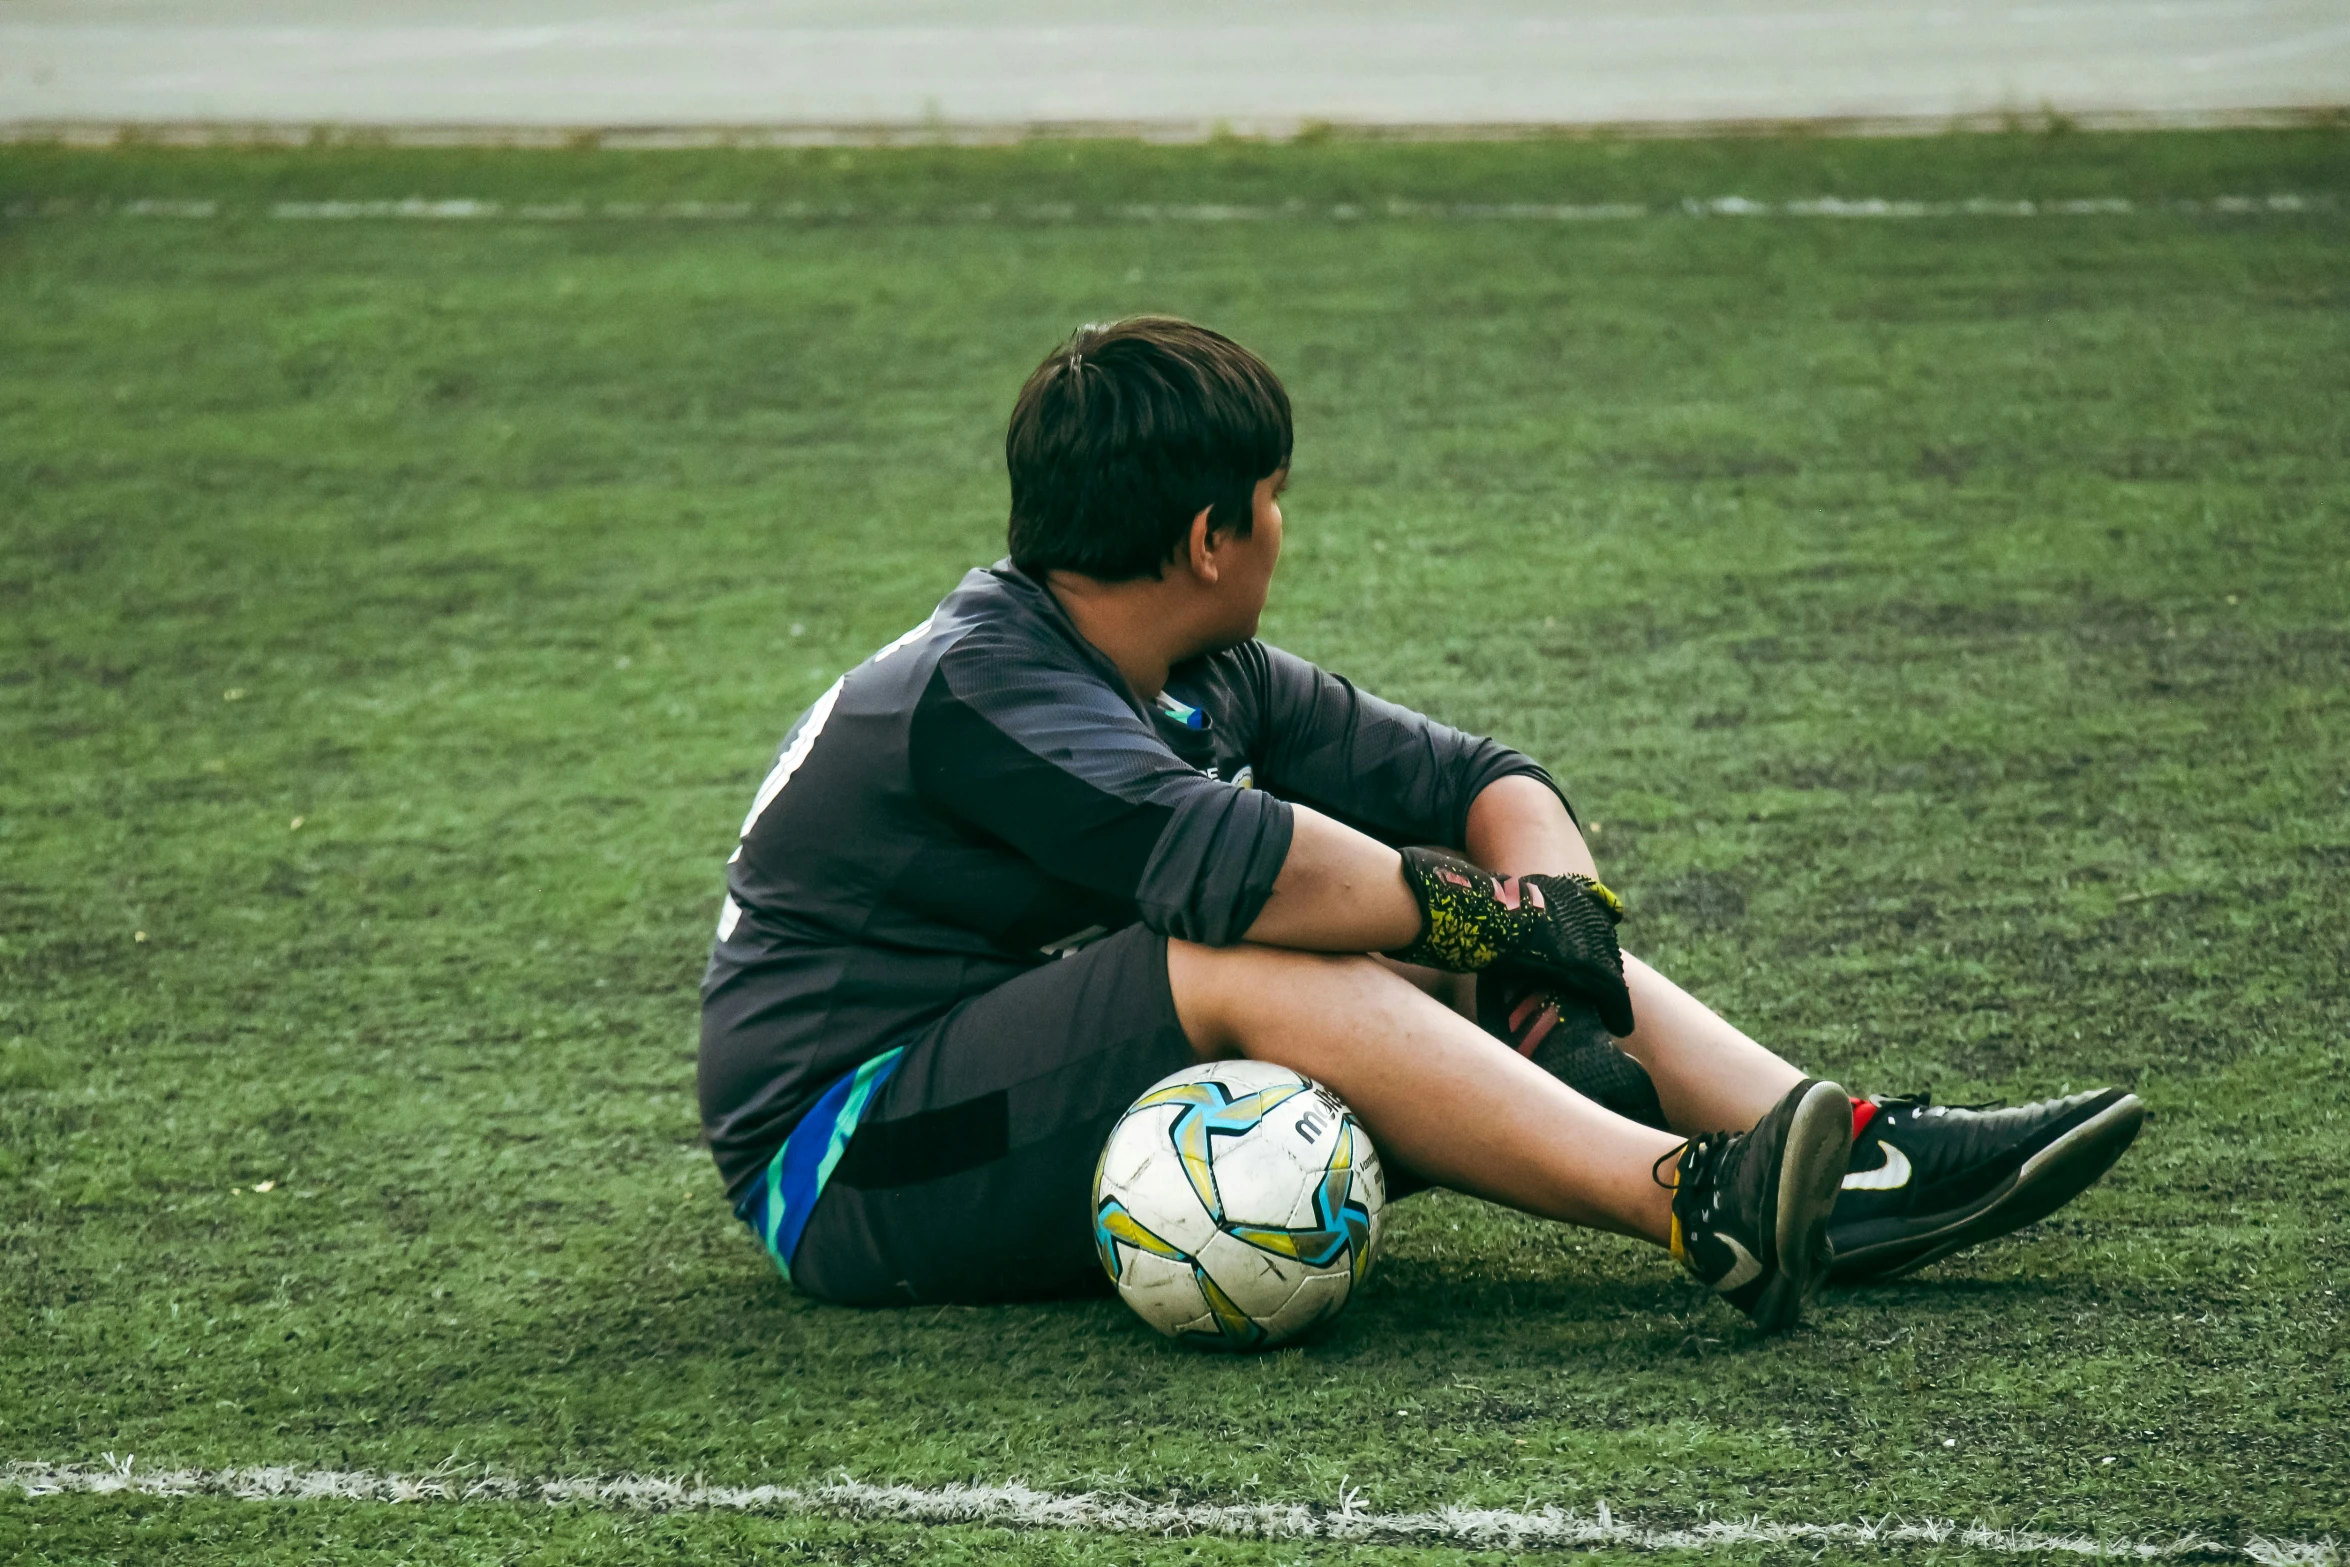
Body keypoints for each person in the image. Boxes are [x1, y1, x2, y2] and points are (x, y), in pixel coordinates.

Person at [698, 316, 2143, 1333]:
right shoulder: (980, 688)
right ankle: (1694, 1199)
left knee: (1393, 900)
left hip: (989, 1072)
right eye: (1272, 501)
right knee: (1258, 946)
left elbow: (1481, 777)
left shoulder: (1191, 665)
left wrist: (1547, 936)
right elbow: (1246, 876)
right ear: (1210, 536)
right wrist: (1492, 930)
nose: (1280, 528)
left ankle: (1843, 1153)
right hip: (843, 1162)